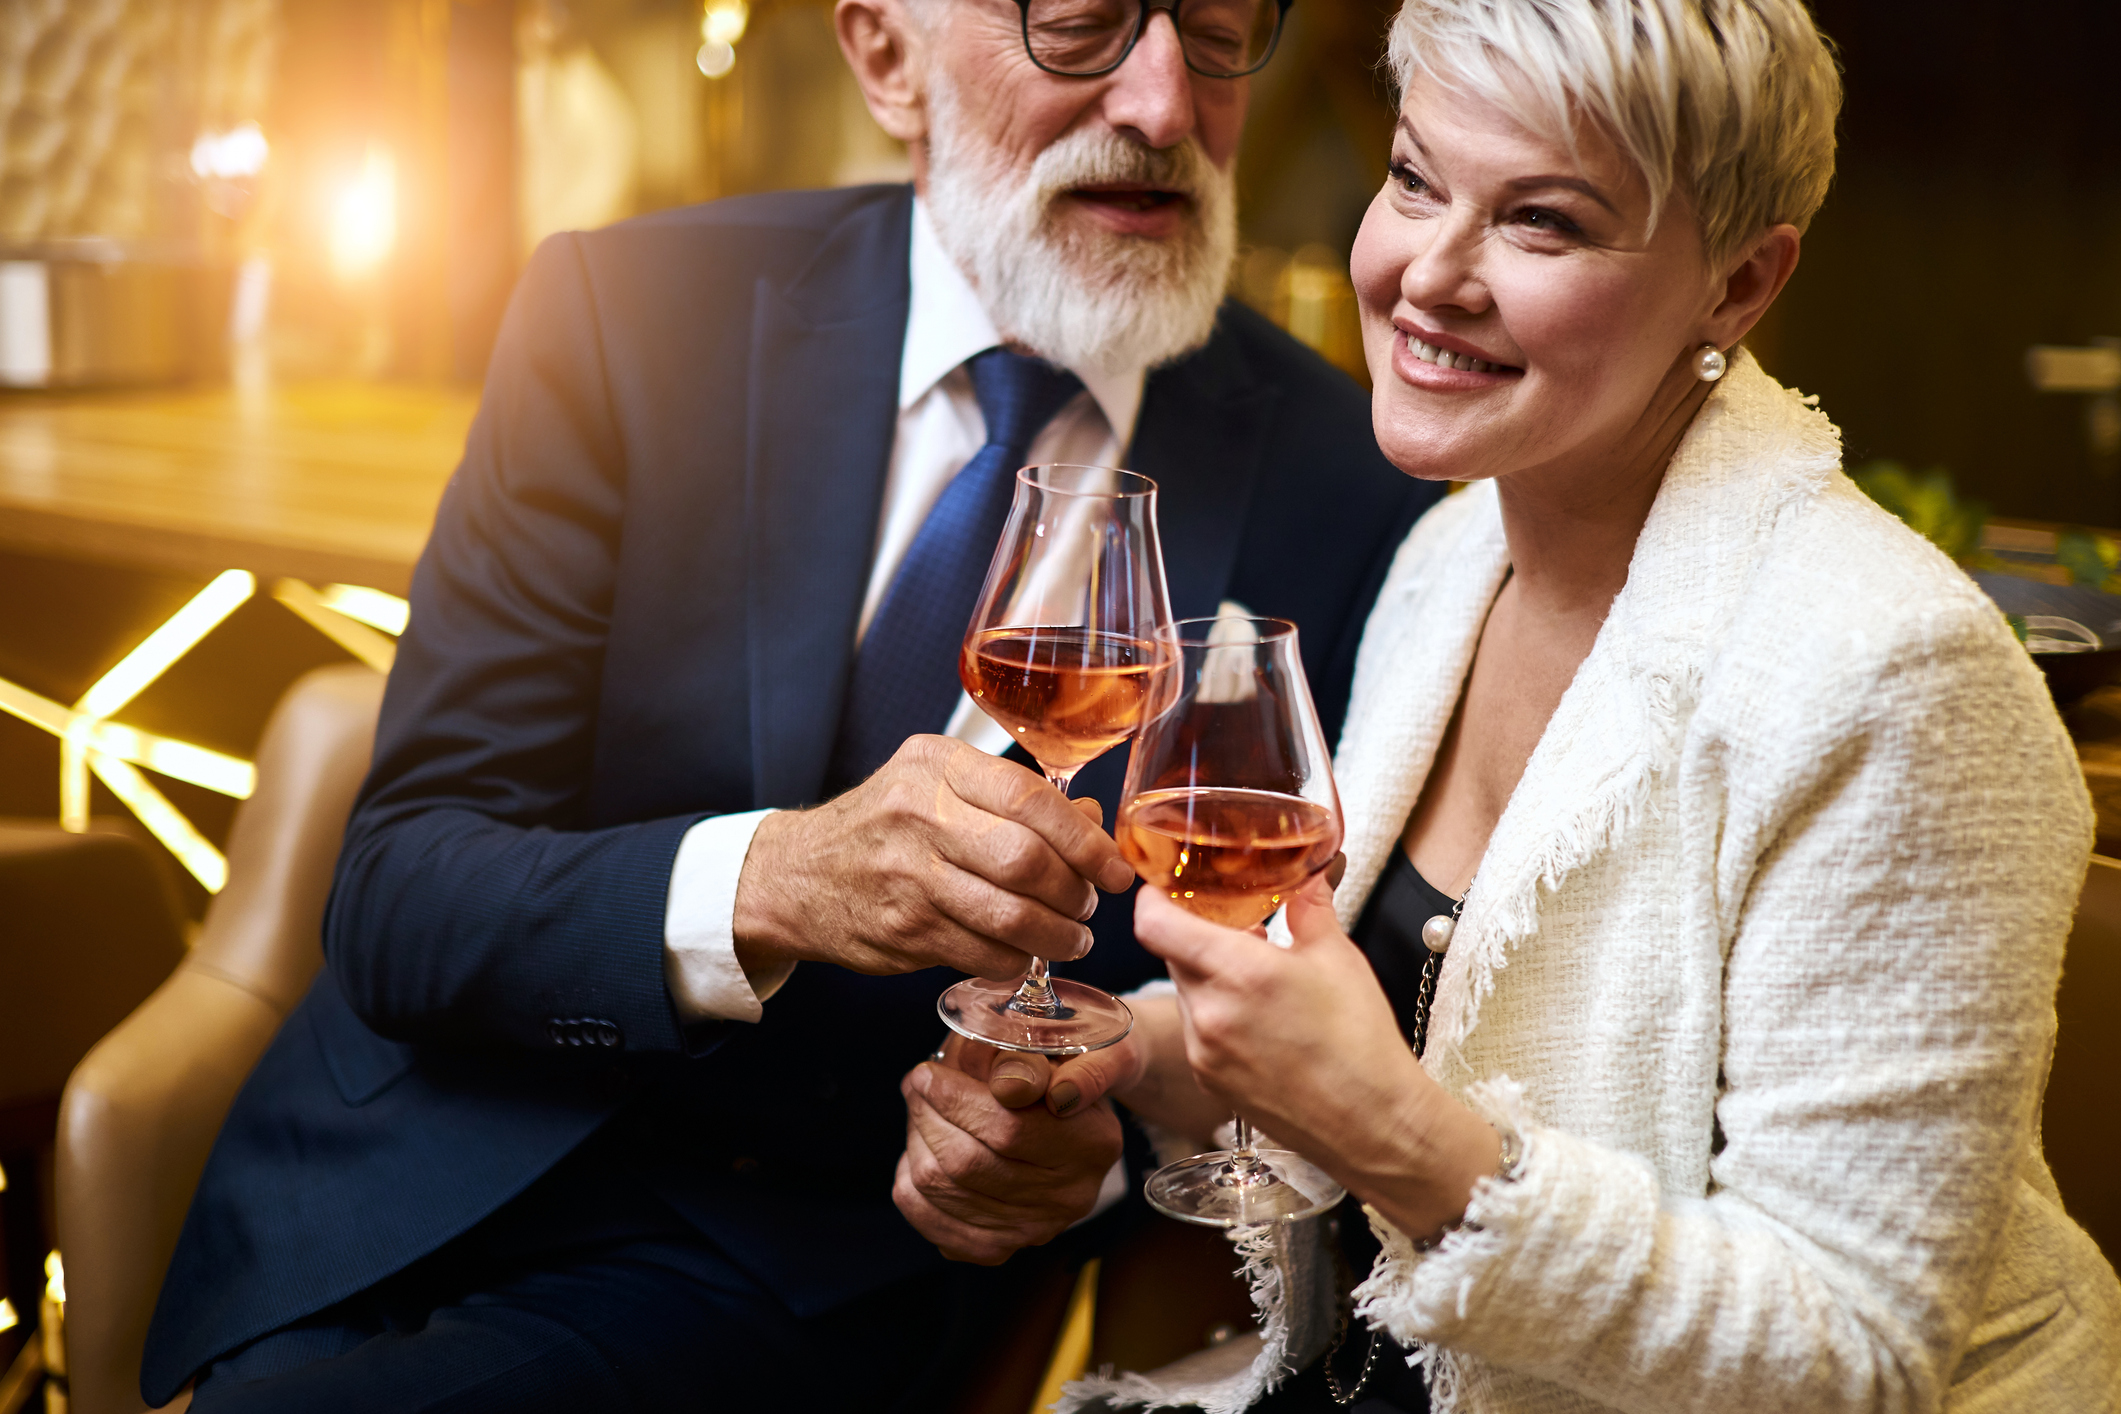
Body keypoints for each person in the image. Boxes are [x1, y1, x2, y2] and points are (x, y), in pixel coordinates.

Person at [140, 1, 1441, 1409]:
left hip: (814, 1271)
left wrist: (1090, 1152)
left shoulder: (1362, 488)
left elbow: (1313, 1018)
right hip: (397, 1190)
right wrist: (774, 876)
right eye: (1075, 28)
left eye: (1219, 30)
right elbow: (399, 893)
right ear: (887, 60)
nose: (1164, 107)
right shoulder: (627, 311)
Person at [1012, 0, 2121, 1409]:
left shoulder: (1894, 674)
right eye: (1415, 181)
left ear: (1738, 286)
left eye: (1539, 220)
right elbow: (1392, 1024)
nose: (1427, 275)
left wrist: (1391, 1130)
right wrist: (1119, 1059)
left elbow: (1852, 1355)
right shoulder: (1451, 551)